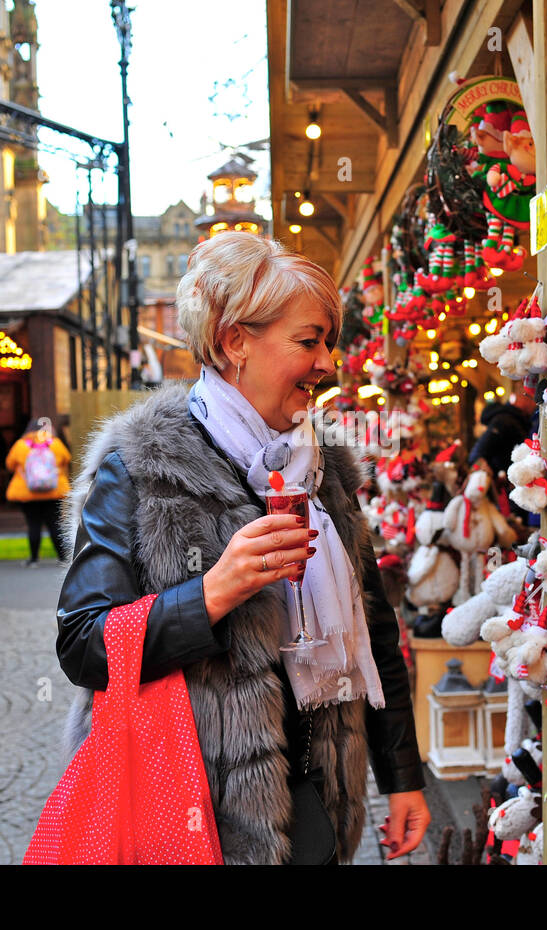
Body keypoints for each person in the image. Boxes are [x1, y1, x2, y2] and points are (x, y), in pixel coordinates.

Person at [54, 231, 428, 865]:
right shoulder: (141, 463)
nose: (328, 363)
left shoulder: (325, 466)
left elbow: (376, 627)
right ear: (233, 342)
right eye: (308, 341)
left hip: (318, 804)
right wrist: (212, 593)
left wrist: (403, 776)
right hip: (192, 814)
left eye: (329, 343)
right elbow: (84, 644)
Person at [5, 419, 72, 566]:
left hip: (27, 493)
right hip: (53, 491)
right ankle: (62, 558)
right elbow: (67, 459)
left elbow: (9, 464)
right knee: (54, 524)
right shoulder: (55, 444)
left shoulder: (21, 445)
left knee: (33, 524)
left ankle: (34, 559)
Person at [468, 387, 535, 476]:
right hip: (504, 481)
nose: (534, 403)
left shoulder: (519, 420)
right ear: (522, 398)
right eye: (531, 398)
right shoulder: (504, 420)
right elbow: (479, 451)